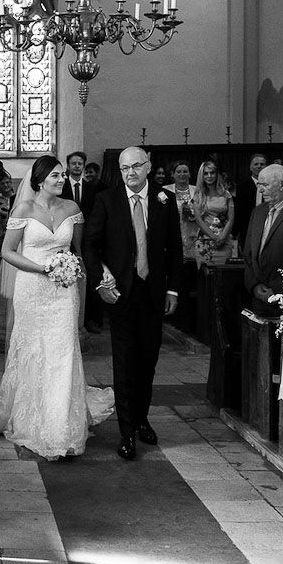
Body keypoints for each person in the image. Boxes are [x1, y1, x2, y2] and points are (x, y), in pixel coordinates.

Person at [0, 156, 113, 458]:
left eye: (62, 175)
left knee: (63, 350)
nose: (61, 179)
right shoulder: (24, 210)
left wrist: (89, 271)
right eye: (55, 175)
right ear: (39, 180)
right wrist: (40, 269)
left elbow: (79, 251)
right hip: (32, 289)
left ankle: (60, 424)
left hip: (64, 292)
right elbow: (7, 251)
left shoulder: (72, 209)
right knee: (33, 351)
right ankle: (31, 418)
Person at [83, 146, 184, 460]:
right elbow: (90, 246)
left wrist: (174, 290)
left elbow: (175, 249)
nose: (130, 173)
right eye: (125, 168)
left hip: (153, 292)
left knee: (148, 361)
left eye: (137, 166)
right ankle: (126, 432)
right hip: (121, 294)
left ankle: (141, 418)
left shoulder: (163, 200)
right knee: (125, 361)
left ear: (149, 166)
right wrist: (101, 281)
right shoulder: (106, 199)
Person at [242, 165, 283, 317]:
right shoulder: (258, 211)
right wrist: (254, 285)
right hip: (258, 297)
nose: (260, 190)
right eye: (259, 185)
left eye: (265, 185)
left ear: (282, 185)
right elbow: (248, 253)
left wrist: (276, 289)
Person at [62, 151, 102, 332]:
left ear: (84, 166)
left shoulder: (93, 189)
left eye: (80, 163)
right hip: (65, 240)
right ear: (68, 166)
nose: (77, 166)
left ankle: (90, 319)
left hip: (88, 240)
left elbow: (95, 215)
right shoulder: (61, 188)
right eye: (74, 163)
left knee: (90, 277)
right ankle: (67, 317)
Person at [190, 160, 236, 265]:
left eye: (212, 173)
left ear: (217, 174)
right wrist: (214, 238)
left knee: (222, 278)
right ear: (202, 176)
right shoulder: (198, 195)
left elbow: (231, 219)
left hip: (224, 242)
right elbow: (198, 220)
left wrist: (222, 238)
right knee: (205, 277)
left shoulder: (226, 194)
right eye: (206, 173)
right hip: (204, 242)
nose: (209, 176)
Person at [163, 159, 197, 260]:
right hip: (172, 233)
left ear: (190, 174)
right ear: (172, 174)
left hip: (193, 232)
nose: (182, 174)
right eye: (178, 172)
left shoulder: (197, 191)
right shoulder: (164, 190)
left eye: (185, 171)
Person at [234, 153, 267, 247]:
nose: (259, 166)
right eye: (256, 164)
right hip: (247, 230)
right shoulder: (241, 188)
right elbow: (238, 212)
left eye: (262, 164)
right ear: (250, 167)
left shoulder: (272, 186)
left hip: (267, 228)